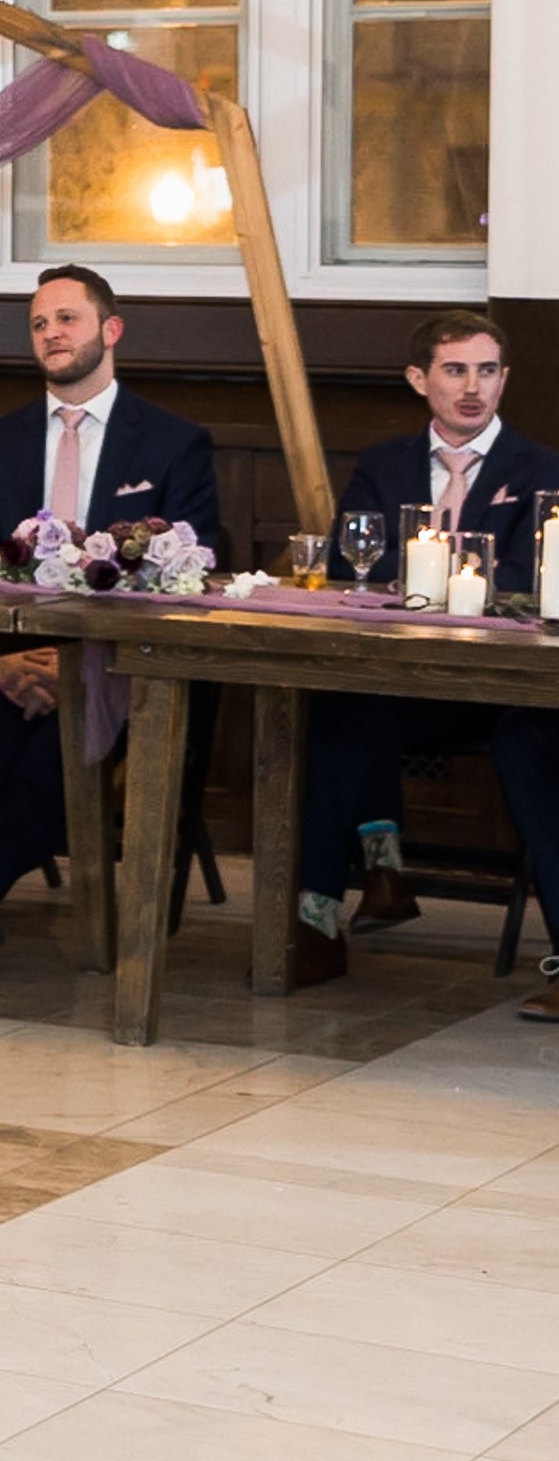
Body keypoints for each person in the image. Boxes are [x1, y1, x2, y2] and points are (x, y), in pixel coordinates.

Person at [0, 265, 225, 919]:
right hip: (13, 651)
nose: (52, 333)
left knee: (62, 741)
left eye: (67, 318)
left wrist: (85, 655)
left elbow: (197, 564)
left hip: (125, 663)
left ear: (111, 328)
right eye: (39, 323)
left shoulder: (173, 441)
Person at [282, 312, 559, 993]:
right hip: (402, 676)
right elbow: (355, 566)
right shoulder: (385, 464)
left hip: (500, 688)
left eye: (487, 370)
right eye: (455, 369)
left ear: (505, 379)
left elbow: (525, 578)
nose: (473, 387)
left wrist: (435, 580)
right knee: (339, 709)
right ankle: (318, 919)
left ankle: (389, 870)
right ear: (419, 379)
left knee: (534, 746)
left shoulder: (543, 468)